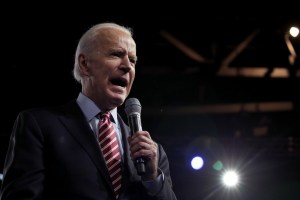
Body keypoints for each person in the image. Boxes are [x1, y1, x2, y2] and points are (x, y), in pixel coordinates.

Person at [0, 22, 177, 200]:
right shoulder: (38, 125)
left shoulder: (151, 153)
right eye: (116, 54)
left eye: (133, 60)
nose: (128, 66)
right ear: (84, 64)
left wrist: (152, 178)